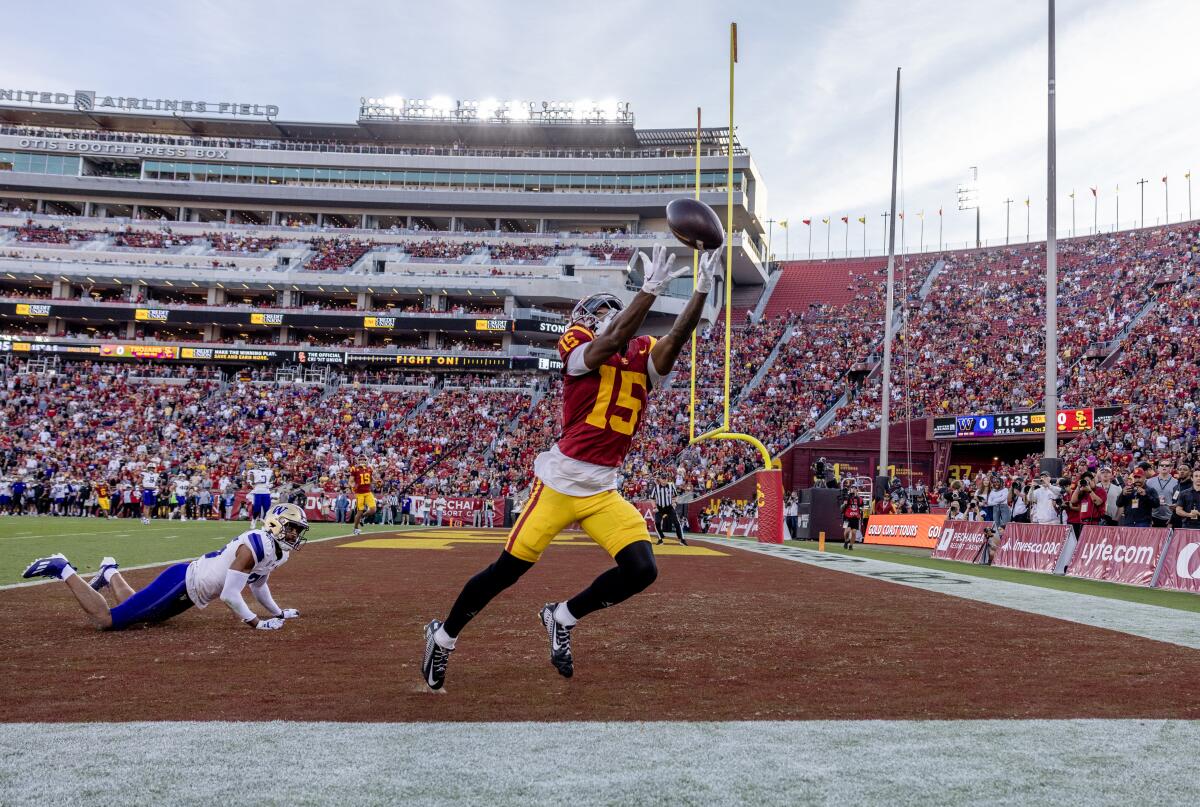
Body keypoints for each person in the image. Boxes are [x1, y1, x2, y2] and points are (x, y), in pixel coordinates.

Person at [421, 244, 717, 691]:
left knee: (642, 570)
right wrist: (651, 290)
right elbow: (610, 341)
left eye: (612, 310)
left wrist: (698, 292)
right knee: (506, 571)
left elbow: (675, 339)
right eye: (602, 311)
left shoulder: (642, 351)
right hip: (560, 482)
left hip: (603, 489)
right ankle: (442, 639)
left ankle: (562, 616)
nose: (606, 315)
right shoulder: (577, 344)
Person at [21, 503, 309, 631]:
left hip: (190, 589)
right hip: (183, 582)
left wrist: (278, 612)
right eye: (293, 528)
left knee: (145, 618)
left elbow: (258, 585)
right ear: (275, 525)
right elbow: (230, 595)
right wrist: (257, 624)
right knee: (108, 621)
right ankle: (63, 568)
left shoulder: (276, 551)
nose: (296, 535)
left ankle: (109, 571)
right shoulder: (256, 544)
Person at [650, 475, 687, 545]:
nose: (664, 480)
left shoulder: (671, 486)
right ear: (660, 479)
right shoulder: (656, 487)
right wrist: (654, 507)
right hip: (660, 507)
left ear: (667, 479)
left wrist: (675, 502)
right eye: (663, 479)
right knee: (657, 523)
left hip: (669, 507)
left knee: (677, 522)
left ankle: (682, 539)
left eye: (665, 479)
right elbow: (652, 498)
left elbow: (676, 496)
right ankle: (660, 539)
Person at [348, 456, 377, 536]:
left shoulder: (369, 469)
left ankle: (362, 517)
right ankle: (355, 528)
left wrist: (377, 482)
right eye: (360, 459)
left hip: (368, 492)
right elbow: (350, 481)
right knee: (360, 511)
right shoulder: (355, 469)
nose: (362, 461)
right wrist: (353, 486)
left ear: (366, 460)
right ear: (358, 460)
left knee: (373, 510)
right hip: (359, 493)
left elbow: (371, 480)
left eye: (363, 459)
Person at [246, 458, 274, 529]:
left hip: (266, 492)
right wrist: (255, 482)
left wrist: (270, 485)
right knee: (257, 509)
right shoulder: (253, 471)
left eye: (263, 462)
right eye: (261, 463)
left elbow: (272, 481)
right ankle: (254, 520)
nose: (262, 464)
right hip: (258, 492)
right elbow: (250, 482)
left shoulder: (269, 471)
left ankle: (265, 523)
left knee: (267, 509)